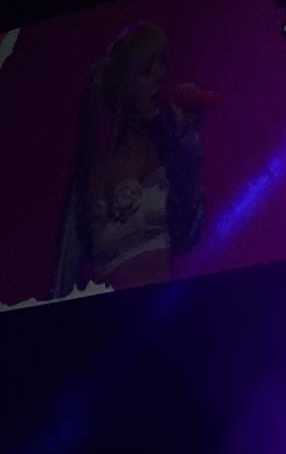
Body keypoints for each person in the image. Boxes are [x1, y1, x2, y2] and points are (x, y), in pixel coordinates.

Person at [52, 22, 205, 296]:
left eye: (162, 64)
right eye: (146, 71)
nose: (161, 76)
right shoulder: (91, 174)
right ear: (124, 84)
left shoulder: (168, 149)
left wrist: (183, 139)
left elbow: (188, 229)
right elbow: (70, 269)